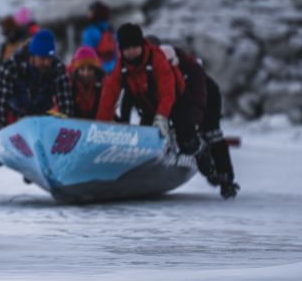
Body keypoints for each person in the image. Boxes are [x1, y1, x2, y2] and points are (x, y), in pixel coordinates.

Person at [97, 24, 199, 156]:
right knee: (146, 141)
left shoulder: (157, 59)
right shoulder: (121, 66)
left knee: (187, 140)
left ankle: (197, 149)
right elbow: (109, 95)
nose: (131, 51)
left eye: (134, 47)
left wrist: (162, 116)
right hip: (148, 106)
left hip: (175, 102)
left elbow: (168, 91)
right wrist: (100, 126)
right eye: (126, 48)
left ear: (141, 45)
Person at [160, 44, 239, 199]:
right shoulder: (160, 71)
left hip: (207, 99)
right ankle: (206, 165)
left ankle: (226, 179)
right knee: (188, 135)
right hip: (184, 102)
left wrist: (194, 123)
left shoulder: (192, 69)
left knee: (212, 135)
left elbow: (199, 98)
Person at [0, 29, 74, 135]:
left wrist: (66, 132)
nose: (47, 63)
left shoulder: (58, 68)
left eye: (49, 58)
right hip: (15, 122)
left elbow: (66, 105)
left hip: (44, 121)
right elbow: (0, 104)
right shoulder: (11, 67)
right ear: (32, 56)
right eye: (43, 59)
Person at [67, 45, 104, 119]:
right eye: (82, 69)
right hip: (72, 126)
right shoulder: (68, 83)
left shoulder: (102, 83)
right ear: (77, 70)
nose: (86, 73)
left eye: (90, 69)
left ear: (95, 70)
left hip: (96, 125)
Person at [80, 1, 118, 74]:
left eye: (90, 11)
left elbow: (86, 53)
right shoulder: (111, 30)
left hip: (98, 70)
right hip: (113, 69)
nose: (87, 14)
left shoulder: (90, 31)